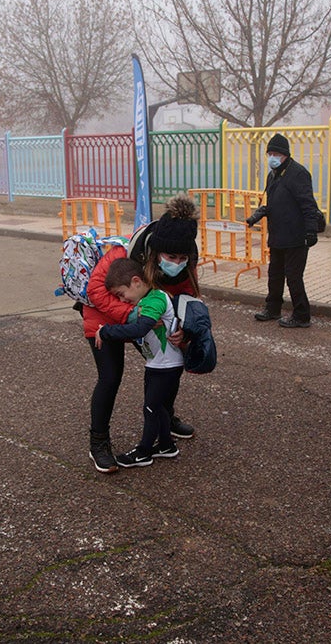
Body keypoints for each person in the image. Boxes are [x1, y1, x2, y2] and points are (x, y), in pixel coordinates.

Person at [83, 194, 200, 473]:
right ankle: (98, 442)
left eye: (183, 257)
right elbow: (95, 290)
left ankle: (165, 418)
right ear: (156, 251)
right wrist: (133, 317)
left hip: (148, 317)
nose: (178, 262)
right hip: (104, 318)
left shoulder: (185, 264)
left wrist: (182, 330)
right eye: (172, 257)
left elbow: (186, 298)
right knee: (110, 377)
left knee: (168, 365)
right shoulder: (125, 253)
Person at [94, 258, 184, 468]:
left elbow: (138, 330)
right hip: (157, 364)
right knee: (158, 406)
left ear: (136, 281)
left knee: (151, 408)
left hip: (167, 365)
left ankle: (143, 452)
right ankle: (165, 445)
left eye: (121, 294)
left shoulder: (155, 300)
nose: (123, 300)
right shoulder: (147, 301)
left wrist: (105, 331)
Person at [246, 133, 322, 328]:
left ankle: (302, 315)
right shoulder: (273, 175)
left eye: (275, 153)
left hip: (296, 236)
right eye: (269, 153)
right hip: (278, 234)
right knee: (275, 274)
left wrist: (311, 231)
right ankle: (272, 309)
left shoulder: (298, 173)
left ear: (285, 155)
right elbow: (272, 203)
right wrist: (257, 215)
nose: (272, 157)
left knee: (294, 277)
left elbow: (308, 205)